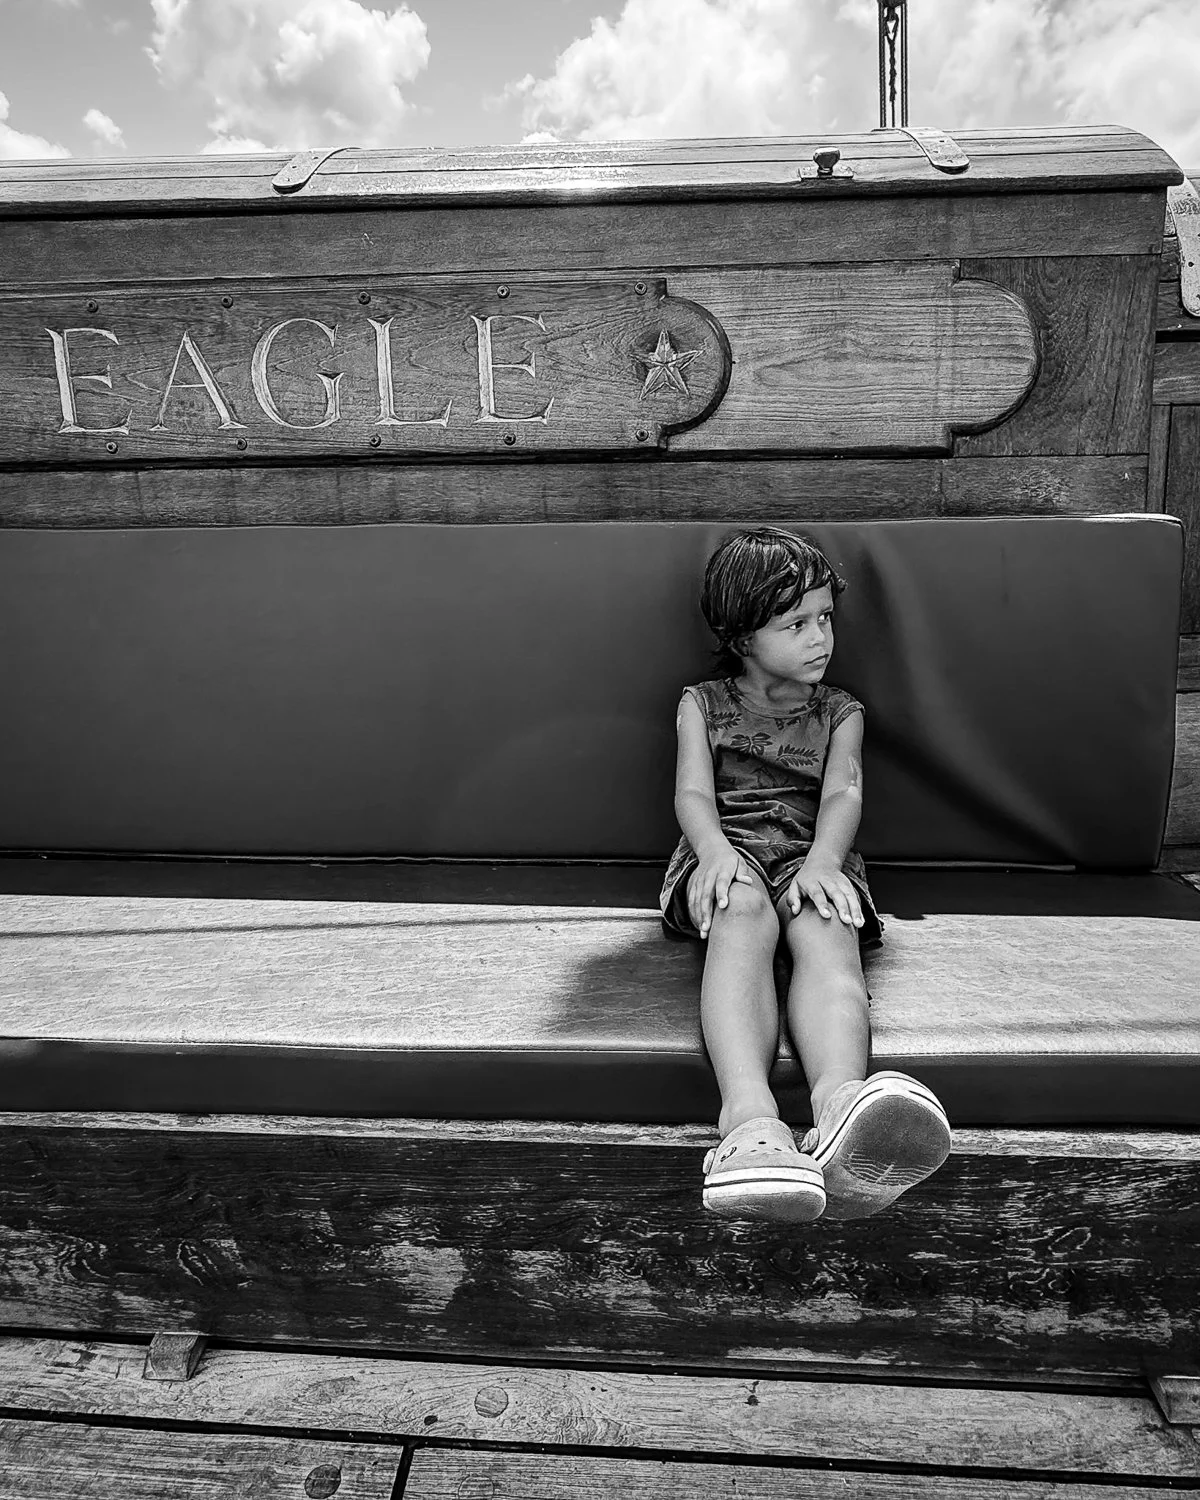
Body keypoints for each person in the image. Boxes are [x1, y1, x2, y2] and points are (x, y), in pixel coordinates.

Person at [660, 526, 951, 1222]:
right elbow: (692, 795)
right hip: (723, 849)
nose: (821, 637)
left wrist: (824, 862)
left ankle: (841, 1109)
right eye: (797, 624)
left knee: (826, 920)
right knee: (741, 911)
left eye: (825, 618)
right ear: (743, 635)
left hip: (811, 849)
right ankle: (749, 1122)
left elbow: (844, 791)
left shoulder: (839, 711)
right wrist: (714, 854)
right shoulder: (700, 704)